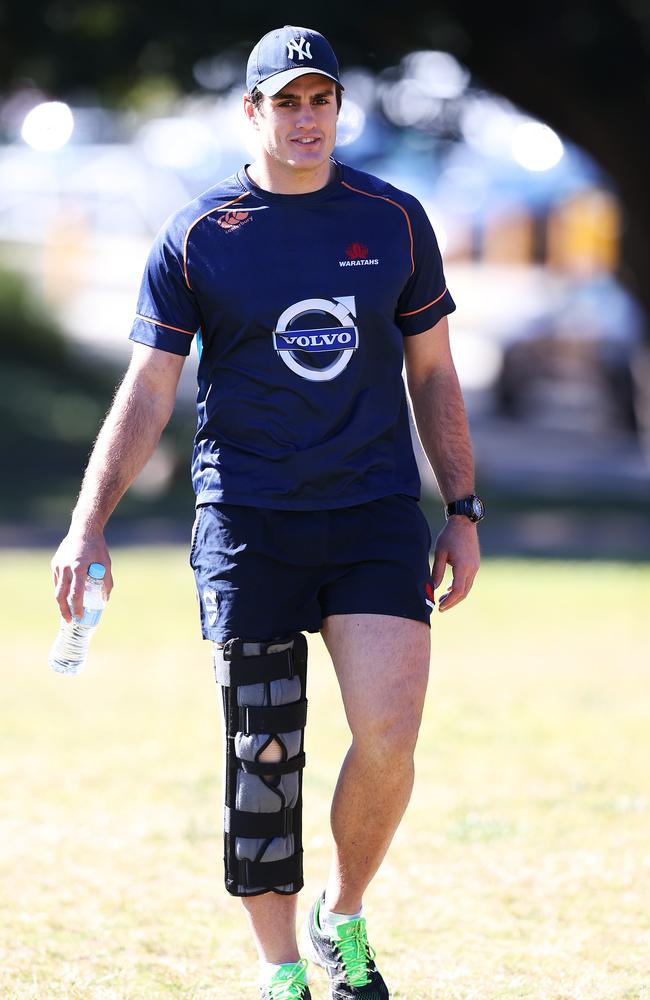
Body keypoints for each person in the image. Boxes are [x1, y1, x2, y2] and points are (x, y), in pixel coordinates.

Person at [51, 24, 483, 1000]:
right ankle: (280, 968)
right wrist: (87, 522)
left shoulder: (394, 219)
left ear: (338, 107)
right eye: (284, 101)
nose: (304, 118)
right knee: (265, 749)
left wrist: (460, 506)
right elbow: (150, 389)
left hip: (373, 514)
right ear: (251, 111)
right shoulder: (200, 234)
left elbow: (433, 371)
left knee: (388, 734)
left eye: (319, 99)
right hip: (247, 522)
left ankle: (343, 916)